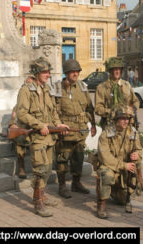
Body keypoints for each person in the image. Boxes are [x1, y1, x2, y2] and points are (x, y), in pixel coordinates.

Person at [16, 57, 69, 217]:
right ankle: (37, 202)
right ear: (36, 73)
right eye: (45, 72)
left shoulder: (46, 88)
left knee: (46, 169)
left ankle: (43, 195)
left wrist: (58, 125)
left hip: (48, 137)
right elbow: (21, 114)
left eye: (48, 72)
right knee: (40, 170)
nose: (48, 74)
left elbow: (52, 112)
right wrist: (40, 126)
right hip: (37, 136)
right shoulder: (26, 90)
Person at [95, 57, 143, 193]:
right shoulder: (102, 88)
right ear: (109, 71)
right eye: (113, 69)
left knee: (134, 151)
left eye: (118, 69)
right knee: (112, 151)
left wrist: (133, 109)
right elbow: (98, 108)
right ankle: (110, 177)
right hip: (110, 125)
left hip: (128, 123)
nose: (116, 72)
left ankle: (139, 179)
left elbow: (135, 101)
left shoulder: (126, 85)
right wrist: (112, 112)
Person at [54, 59, 96, 199]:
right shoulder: (58, 88)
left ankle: (76, 183)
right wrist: (58, 126)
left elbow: (90, 107)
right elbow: (53, 109)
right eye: (72, 71)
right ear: (66, 73)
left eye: (77, 71)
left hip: (80, 130)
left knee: (78, 157)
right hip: (65, 130)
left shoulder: (83, 87)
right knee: (62, 158)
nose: (75, 74)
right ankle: (62, 186)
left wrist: (94, 125)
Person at [96, 104, 142, 219]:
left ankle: (112, 190)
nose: (126, 121)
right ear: (115, 119)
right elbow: (105, 157)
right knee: (106, 175)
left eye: (127, 118)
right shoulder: (106, 134)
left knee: (122, 201)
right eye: (122, 118)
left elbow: (139, 149)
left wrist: (138, 155)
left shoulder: (133, 133)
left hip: (125, 169)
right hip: (110, 166)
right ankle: (101, 204)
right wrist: (123, 165)